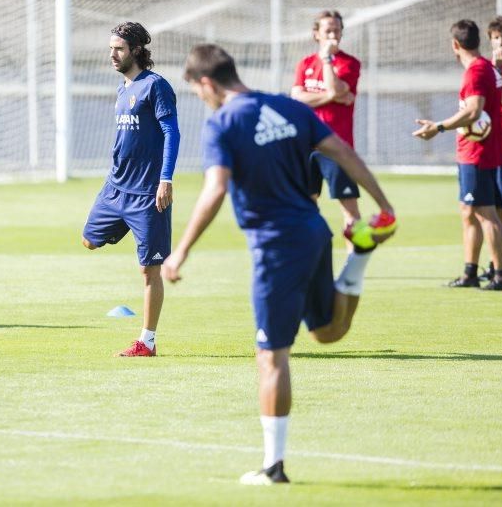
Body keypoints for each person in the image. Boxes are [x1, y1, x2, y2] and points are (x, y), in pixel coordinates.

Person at [162, 44, 396, 485]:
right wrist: (383, 205)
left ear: (207, 84)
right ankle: (360, 255)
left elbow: (215, 190)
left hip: (276, 247)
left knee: (271, 357)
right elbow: (342, 152)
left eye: (197, 92)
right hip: (314, 232)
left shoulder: (223, 124)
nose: (201, 99)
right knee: (328, 331)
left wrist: (182, 250)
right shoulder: (287, 107)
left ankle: (273, 467)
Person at [82, 22, 180, 356]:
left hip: (146, 194)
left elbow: (172, 133)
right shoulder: (123, 88)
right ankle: (126, 225)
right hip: (115, 188)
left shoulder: (156, 86)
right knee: (88, 241)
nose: (112, 54)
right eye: (111, 48)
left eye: (119, 49)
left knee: (149, 269)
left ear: (136, 50)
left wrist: (165, 178)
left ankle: (147, 343)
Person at [413, 19, 502, 290]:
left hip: (478, 154)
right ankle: (470, 272)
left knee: (486, 214)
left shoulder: (476, 71)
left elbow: (473, 111)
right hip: (479, 152)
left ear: (455, 45)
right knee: (469, 212)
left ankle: (501, 275)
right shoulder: (488, 68)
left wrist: (439, 127)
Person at [291, 10, 362, 242]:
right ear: (316, 34)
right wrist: (330, 96)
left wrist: (327, 60)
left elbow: (337, 89)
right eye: (328, 30)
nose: (333, 34)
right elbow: (297, 96)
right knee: (305, 205)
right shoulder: (304, 63)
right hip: (305, 145)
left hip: (336, 146)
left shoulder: (350, 63)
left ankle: (355, 264)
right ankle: (310, 259)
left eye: (337, 30)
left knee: (349, 207)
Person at [481, 16, 502, 281]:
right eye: (495, 38)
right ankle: (497, 265)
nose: (500, 43)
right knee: (496, 210)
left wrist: (501, 72)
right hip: (495, 150)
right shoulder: (489, 68)